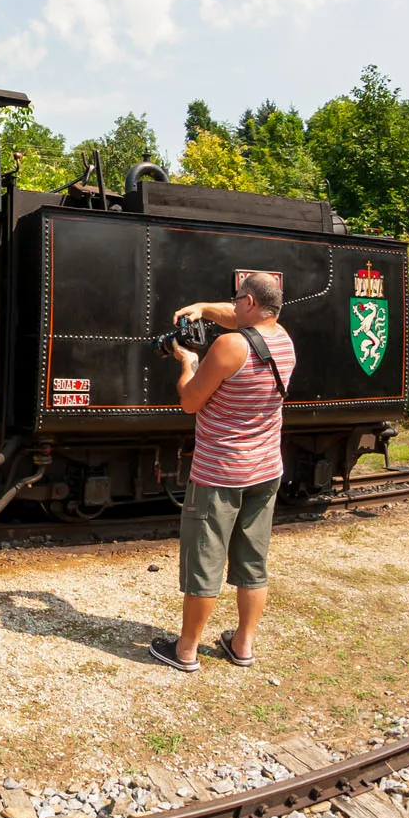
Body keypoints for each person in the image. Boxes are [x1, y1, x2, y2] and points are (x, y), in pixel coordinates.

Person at [147, 271, 296, 673]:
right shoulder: (283, 340)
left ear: (248, 302)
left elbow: (191, 401)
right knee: (252, 564)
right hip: (265, 469)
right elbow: (241, 323)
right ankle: (242, 646)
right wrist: (203, 309)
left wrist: (187, 363)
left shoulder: (230, 347)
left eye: (236, 301)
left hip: (221, 473)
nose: (232, 307)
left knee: (205, 563)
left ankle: (185, 651)